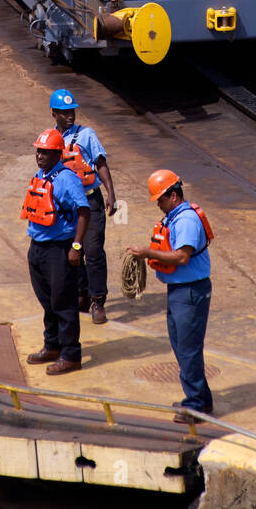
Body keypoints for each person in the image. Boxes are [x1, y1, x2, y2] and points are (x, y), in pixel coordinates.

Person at [126, 170, 213, 423]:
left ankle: (196, 404)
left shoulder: (185, 220)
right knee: (182, 346)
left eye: (160, 200)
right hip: (180, 291)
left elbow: (182, 256)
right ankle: (200, 399)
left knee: (188, 349)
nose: (158, 206)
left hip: (190, 292)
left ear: (173, 196)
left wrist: (147, 252)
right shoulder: (174, 217)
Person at [20, 128, 90, 375]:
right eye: (39, 151)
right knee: (47, 301)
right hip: (37, 248)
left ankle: (71, 354)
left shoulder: (67, 179)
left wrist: (76, 247)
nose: (40, 156)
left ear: (58, 153)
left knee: (64, 302)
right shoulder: (41, 175)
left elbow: (84, 211)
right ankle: (52, 345)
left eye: (46, 152)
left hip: (60, 250)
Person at [49, 88, 116, 325]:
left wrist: (111, 193)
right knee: (73, 251)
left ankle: (98, 300)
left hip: (90, 200)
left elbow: (101, 163)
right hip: (66, 205)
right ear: (54, 113)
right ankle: (81, 294)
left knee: (94, 250)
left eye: (72, 111)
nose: (70, 115)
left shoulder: (87, 135)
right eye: (65, 112)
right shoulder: (50, 139)